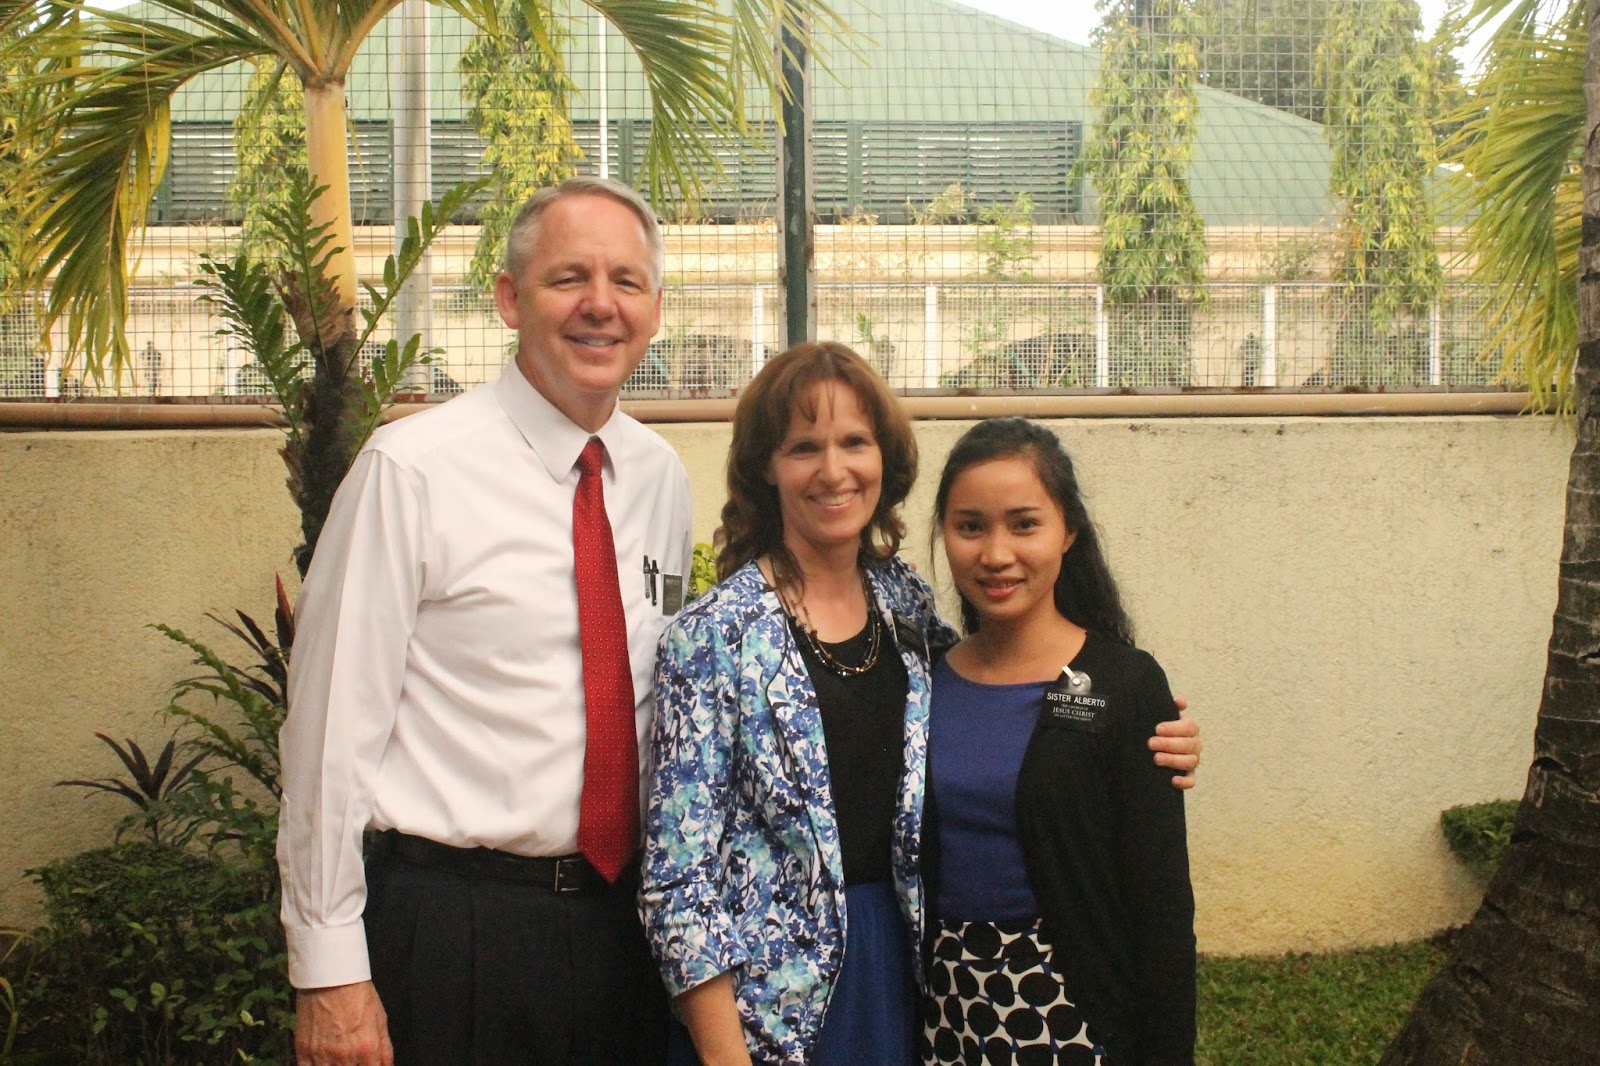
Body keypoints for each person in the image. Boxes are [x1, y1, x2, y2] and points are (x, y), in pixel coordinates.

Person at [639, 346, 1201, 1066]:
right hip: (768, 1014)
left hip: (910, 980)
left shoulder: (903, 604)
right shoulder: (712, 637)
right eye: (804, 447)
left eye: (854, 442)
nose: (834, 470)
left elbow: (1000, 698)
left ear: (885, 458)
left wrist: (1143, 724)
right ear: (765, 468)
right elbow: (677, 882)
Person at [277, 176, 688, 1065]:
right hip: (452, 934)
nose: (600, 304)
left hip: (623, 937)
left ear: (655, 310)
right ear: (509, 299)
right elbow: (328, 734)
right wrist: (328, 969)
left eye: (626, 281)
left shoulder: (660, 479)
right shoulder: (411, 471)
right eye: (568, 278)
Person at [922, 417, 1195, 1066]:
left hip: (1075, 1015)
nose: (996, 555)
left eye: (1024, 525)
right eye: (970, 527)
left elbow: (1161, 909)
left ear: (1068, 530)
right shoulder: (923, 683)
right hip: (944, 1014)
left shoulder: (1124, 685)